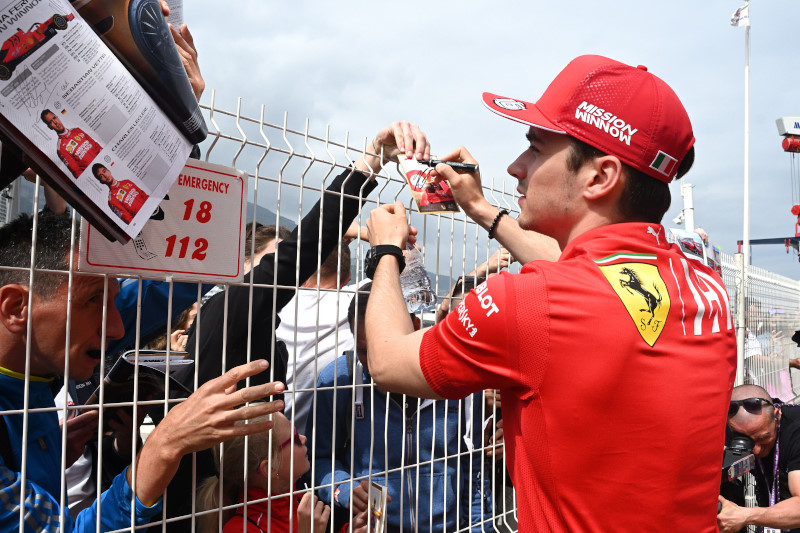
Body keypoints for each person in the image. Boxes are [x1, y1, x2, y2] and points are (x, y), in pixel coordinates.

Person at [362, 54, 737, 532]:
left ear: (600, 177)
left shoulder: (530, 300)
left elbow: (387, 361)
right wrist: (479, 207)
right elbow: (583, 277)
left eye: (535, 148)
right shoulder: (704, 285)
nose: (516, 166)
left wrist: (386, 250)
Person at [0, 212, 285, 532]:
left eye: (114, 301)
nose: (117, 329)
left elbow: (155, 295)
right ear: (15, 308)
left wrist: (46, 456)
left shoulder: (32, 376)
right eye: (93, 300)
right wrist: (164, 446)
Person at [308, 282, 492, 533]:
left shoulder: (458, 378)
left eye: (384, 346)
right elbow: (317, 459)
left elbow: (474, 466)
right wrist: (343, 488)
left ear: (415, 326)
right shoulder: (338, 380)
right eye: (364, 350)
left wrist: (481, 527)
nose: (375, 361)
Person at [197, 411, 337, 533]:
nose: (303, 438)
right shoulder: (241, 529)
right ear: (270, 468)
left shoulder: (298, 498)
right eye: (294, 437)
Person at [276, 240, 355, 432]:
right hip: (322, 441)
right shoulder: (353, 301)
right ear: (347, 279)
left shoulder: (276, 302)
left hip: (269, 433)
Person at [718, 384, 800, 533]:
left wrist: (746, 515)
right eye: (746, 441)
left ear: (776, 416)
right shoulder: (731, 429)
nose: (756, 450)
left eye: (763, 438)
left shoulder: (796, 429)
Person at [40, 110, 103, 178]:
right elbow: (77, 173)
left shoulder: (77, 130)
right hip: (96, 176)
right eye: (50, 122)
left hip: (103, 163)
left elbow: (97, 146)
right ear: (50, 127)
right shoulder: (61, 149)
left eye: (54, 118)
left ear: (58, 117)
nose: (55, 122)